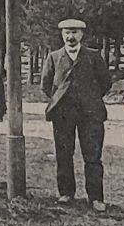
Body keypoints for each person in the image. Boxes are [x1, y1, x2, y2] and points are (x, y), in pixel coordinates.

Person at [41, 18, 110, 210]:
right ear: (62, 35)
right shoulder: (54, 57)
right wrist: (60, 100)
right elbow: (46, 85)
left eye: (75, 32)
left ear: (82, 34)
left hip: (91, 114)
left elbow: (105, 82)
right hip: (63, 114)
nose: (71, 37)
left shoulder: (93, 56)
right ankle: (66, 193)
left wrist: (90, 99)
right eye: (67, 33)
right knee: (64, 154)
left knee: (93, 156)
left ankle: (96, 198)